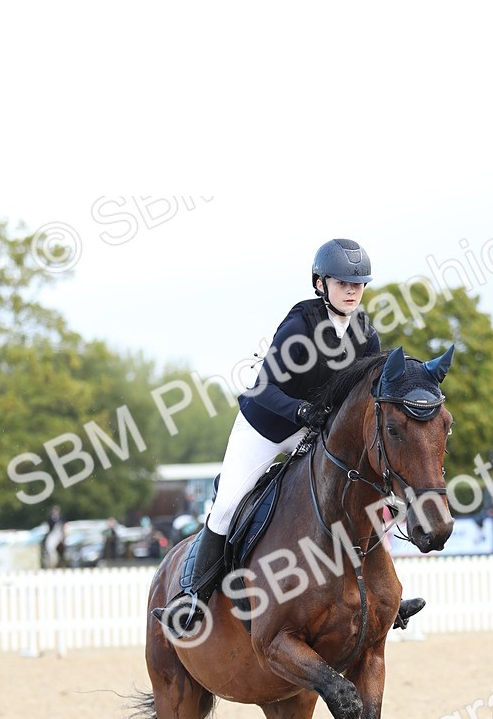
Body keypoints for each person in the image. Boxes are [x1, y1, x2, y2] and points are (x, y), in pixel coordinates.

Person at [157, 238, 400, 633]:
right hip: (266, 426)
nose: (352, 290)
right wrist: (301, 410)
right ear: (320, 284)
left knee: (357, 496)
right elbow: (263, 389)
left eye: (358, 284)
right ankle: (191, 600)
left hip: (314, 430)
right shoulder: (301, 325)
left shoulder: (365, 334)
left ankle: (383, 595)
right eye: (342, 283)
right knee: (227, 504)